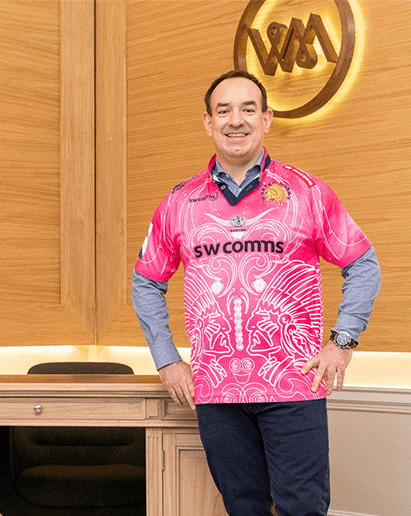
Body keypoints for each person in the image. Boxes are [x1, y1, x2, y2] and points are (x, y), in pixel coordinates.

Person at [132, 70, 380, 516]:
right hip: (216, 391)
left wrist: (342, 342)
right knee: (242, 508)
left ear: (266, 119)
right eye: (223, 110)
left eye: (248, 109)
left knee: (301, 510)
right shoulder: (177, 202)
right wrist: (167, 358)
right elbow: (147, 280)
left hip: (294, 386)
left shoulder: (307, 193)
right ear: (208, 122)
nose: (236, 120)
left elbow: (362, 263)